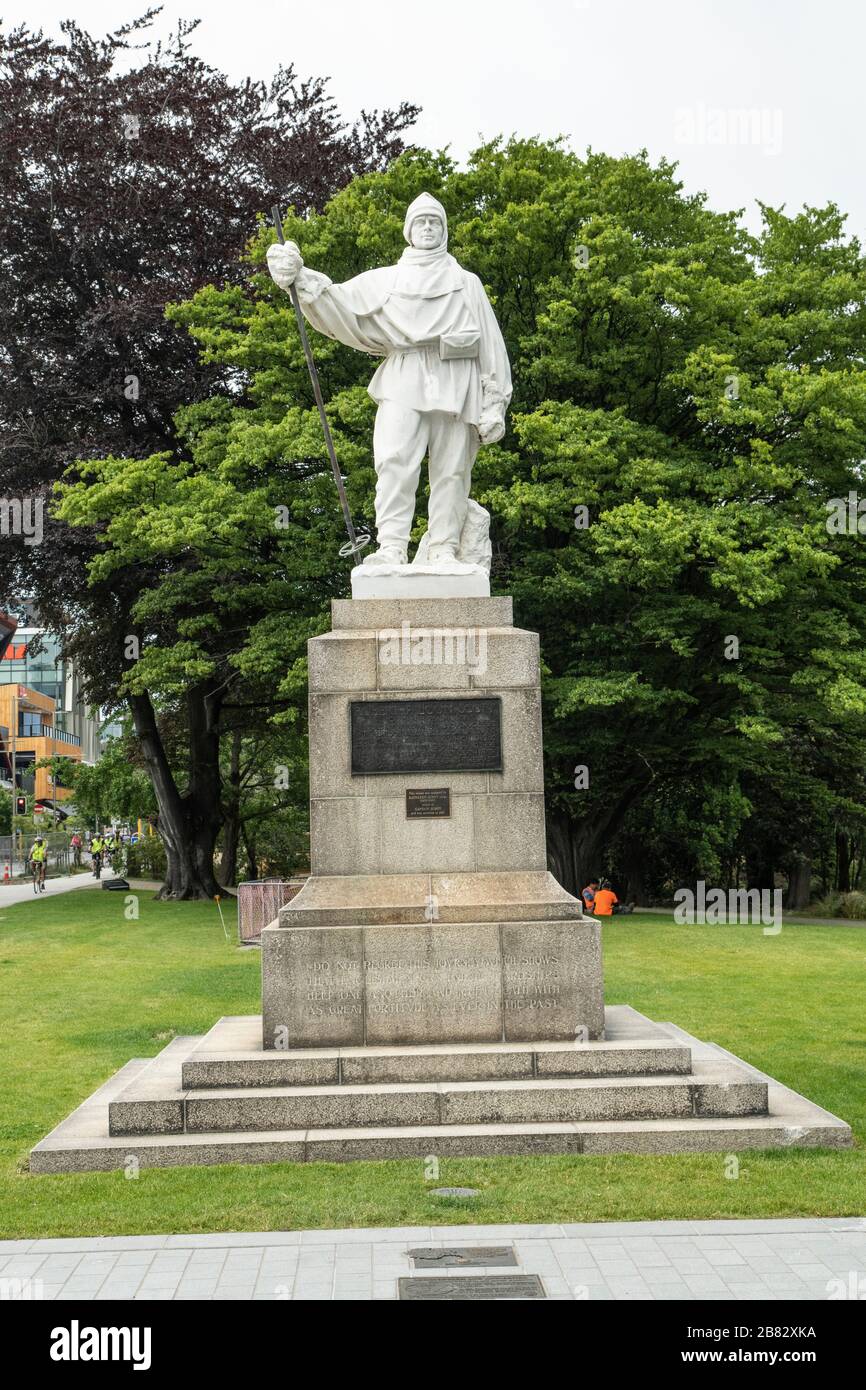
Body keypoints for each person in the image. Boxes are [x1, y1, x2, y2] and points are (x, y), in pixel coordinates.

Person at [267, 192, 512, 565]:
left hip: (457, 381)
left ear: (444, 230)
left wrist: (495, 402)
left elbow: (491, 347)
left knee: (452, 470)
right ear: (409, 230)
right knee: (394, 461)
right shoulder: (386, 280)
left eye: (435, 222)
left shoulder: (467, 283)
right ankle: (392, 546)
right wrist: (297, 277)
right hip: (404, 375)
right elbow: (337, 302)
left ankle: (445, 547)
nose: (428, 228)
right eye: (421, 222)